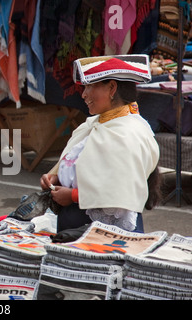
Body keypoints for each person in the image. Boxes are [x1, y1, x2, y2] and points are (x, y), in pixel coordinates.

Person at [40, 54, 161, 233]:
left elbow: (120, 191)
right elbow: (82, 164)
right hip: (75, 226)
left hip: (106, 233)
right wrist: (56, 176)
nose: (84, 94)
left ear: (112, 88)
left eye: (89, 86)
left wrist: (72, 196)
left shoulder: (129, 133)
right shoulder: (94, 125)